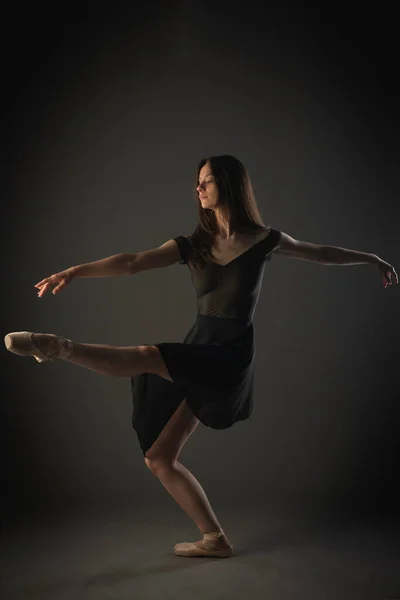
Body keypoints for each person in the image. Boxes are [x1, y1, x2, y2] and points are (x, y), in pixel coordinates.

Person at [4, 154, 397, 558]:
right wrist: (75, 270)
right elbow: (133, 263)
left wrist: (372, 259)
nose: (198, 189)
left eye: (206, 181)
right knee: (159, 458)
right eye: (198, 182)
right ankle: (215, 539)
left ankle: (57, 347)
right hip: (199, 345)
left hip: (230, 353)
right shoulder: (194, 245)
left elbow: (320, 253)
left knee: (144, 354)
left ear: (229, 184)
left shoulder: (265, 241)